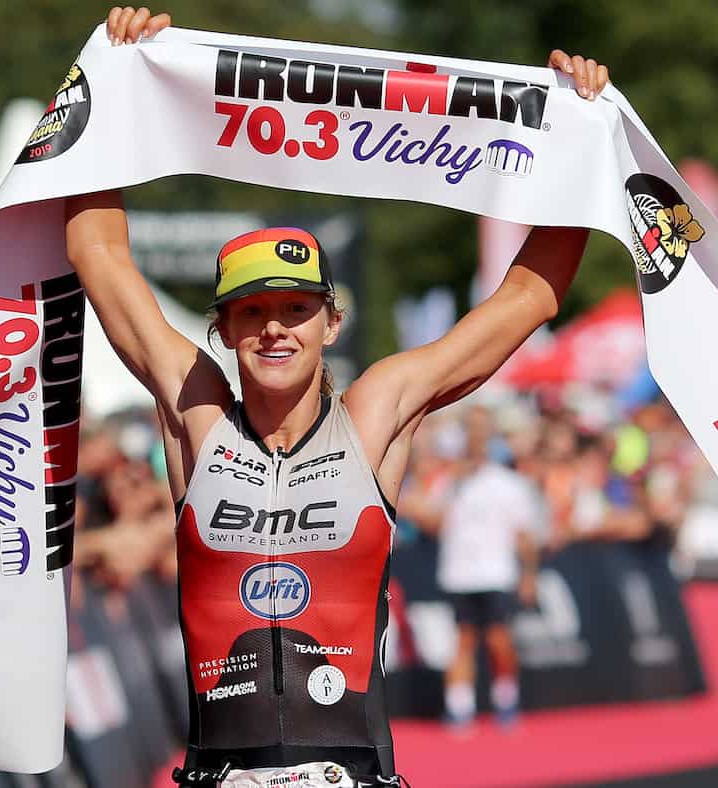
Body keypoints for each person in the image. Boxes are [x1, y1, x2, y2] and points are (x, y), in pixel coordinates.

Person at [72, 9, 609, 785]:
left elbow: (526, 297)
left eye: (295, 309)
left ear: (332, 320)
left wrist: (580, 139)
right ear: (222, 328)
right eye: (251, 312)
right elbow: (99, 254)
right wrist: (112, 84)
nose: (274, 331)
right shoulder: (195, 410)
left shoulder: (375, 412)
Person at [431, 410, 542, 730]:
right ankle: (459, 707)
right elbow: (433, 520)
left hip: (495, 573)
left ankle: (506, 699)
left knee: (498, 640)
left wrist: (529, 576)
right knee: (462, 641)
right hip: (457, 574)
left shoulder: (509, 485)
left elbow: (524, 536)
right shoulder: (449, 483)